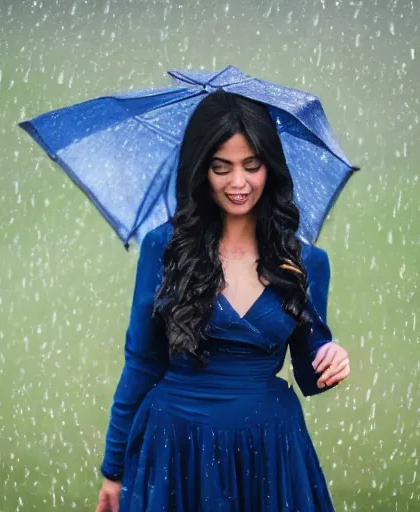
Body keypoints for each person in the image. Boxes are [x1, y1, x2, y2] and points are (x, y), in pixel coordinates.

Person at [95, 90, 351, 512]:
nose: (238, 183)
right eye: (221, 167)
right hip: (174, 449)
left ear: (271, 167)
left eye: (252, 166)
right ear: (201, 171)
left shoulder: (306, 263)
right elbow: (141, 361)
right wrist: (113, 469)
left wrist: (332, 357)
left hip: (269, 453)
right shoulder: (164, 248)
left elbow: (309, 374)